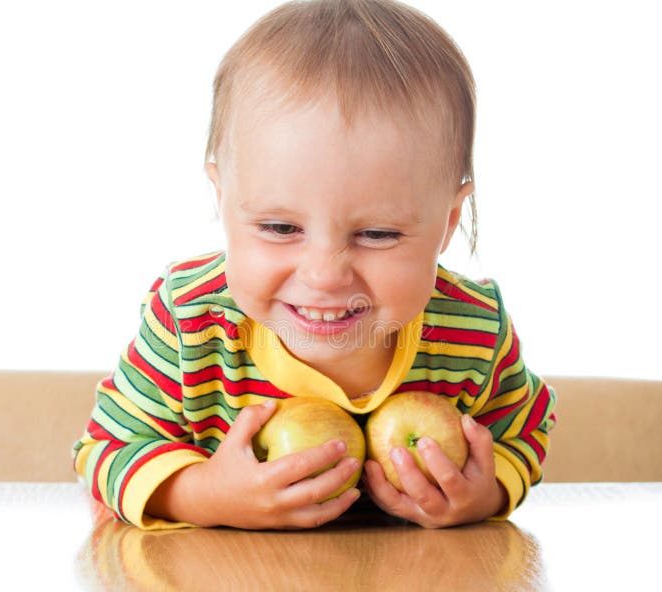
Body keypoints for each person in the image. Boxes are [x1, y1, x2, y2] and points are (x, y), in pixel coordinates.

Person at [72, 0, 556, 531]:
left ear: (447, 222)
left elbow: (524, 431)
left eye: (377, 234)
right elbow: (106, 449)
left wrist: (483, 495)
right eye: (281, 229)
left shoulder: (472, 327)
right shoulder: (192, 322)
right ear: (223, 200)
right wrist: (204, 495)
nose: (325, 275)